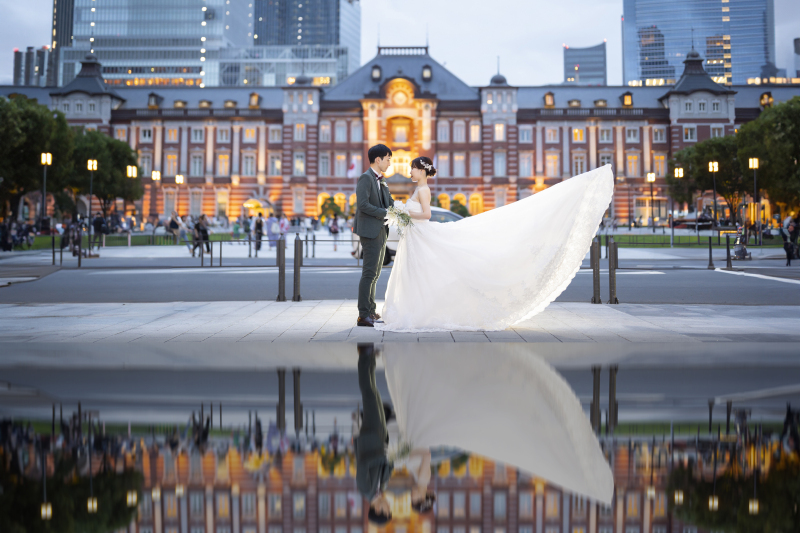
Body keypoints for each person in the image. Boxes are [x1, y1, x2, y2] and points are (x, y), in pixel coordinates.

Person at [375, 162, 613, 332]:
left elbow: (426, 215)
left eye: (413, 168)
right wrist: (404, 212)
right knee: (419, 274)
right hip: (416, 237)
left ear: (422, 170)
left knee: (424, 273)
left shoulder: (423, 190)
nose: (410, 171)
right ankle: (414, 308)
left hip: (421, 234)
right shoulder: (419, 189)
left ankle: (416, 311)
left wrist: (405, 212)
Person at [353, 144, 394, 327]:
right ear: (378, 160)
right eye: (388, 159)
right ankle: (363, 315)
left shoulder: (381, 180)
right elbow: (362, 204)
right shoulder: (366, 178)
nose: (389, 163)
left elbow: (389, 203)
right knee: (369, 273)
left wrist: (398, 210)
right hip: (370, 231)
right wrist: (385, 213)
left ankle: (371, 310)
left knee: (376, 273)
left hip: (380, 230)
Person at [355, 343, 393, 526]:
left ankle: (364, 355)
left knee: (369, 394)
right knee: (375, 394)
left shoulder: (365, 489)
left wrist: (382, 458)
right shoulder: (382, 488)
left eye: (387, 509)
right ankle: (371, 359)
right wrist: (395, 459)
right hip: (380, 436)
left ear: (378, 510)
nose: (389, 506)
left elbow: (363, 464)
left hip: (370, 436)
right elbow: (388, 466)